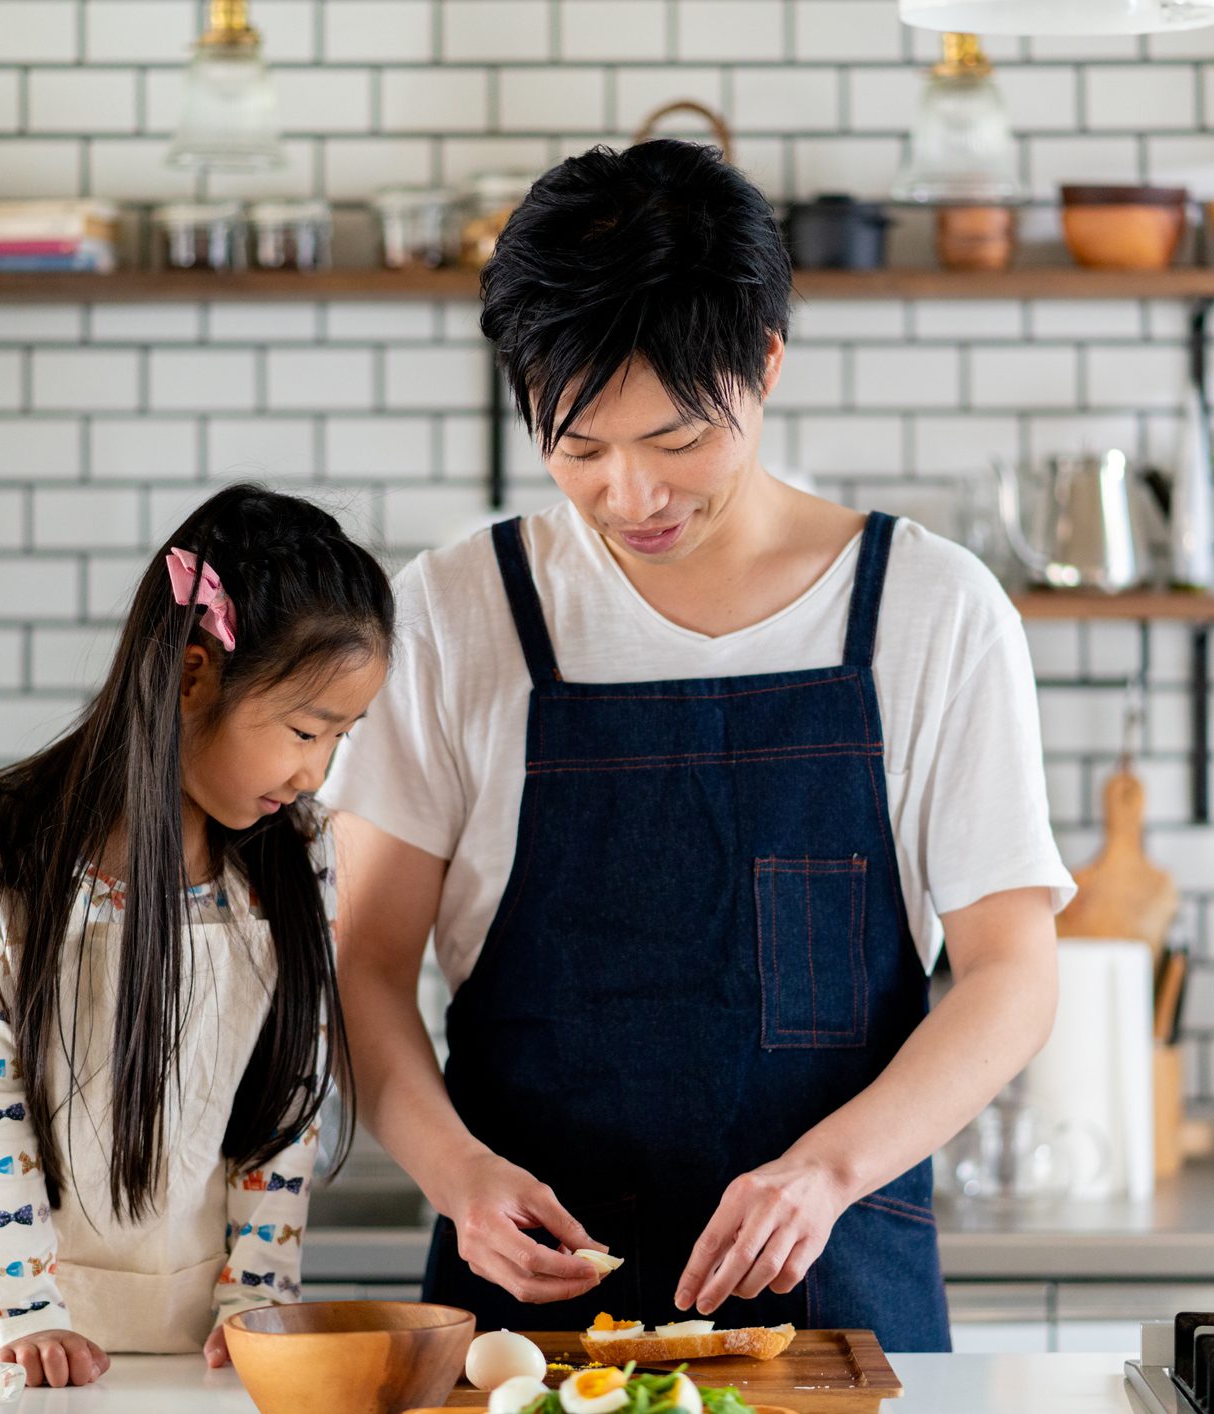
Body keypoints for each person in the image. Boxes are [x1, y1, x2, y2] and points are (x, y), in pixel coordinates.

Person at [321, 140, 1073, 1352]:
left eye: (675, 440)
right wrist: (455, 1172)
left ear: (762, 363)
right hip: (528, 1320)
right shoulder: (460, 612)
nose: (631, 495)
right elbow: (364, 967)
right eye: (578, 448)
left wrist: (826, 1170)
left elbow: (1012, 974)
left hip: (836, 1301)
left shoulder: (930, 610)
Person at [0, 485, 394, 1387]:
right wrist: (25, 1311)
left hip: (179, 1340)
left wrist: (256, 1295)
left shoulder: (298, 855)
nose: (314, 770)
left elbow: (282, 1104)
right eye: (303, 729)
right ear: (191, 676)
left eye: (339, 737)